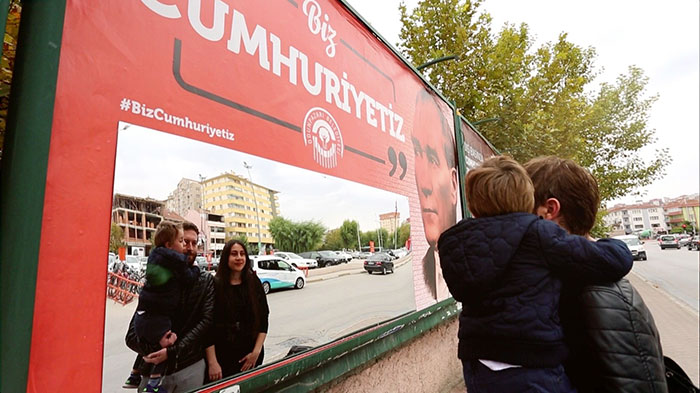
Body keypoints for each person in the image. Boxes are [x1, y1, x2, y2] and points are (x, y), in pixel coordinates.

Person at [438, 155, 633, 393]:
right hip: (532, 364)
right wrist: (613, 244)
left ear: (472, 204)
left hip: (477, 365)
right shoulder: (537, 234)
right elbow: (613, 261)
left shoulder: (455, 242)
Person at [524, 156, 667, 393]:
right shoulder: (574, 277)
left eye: (522, 209)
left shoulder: (596, 294)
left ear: (549, 210)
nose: (516, 221)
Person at [126, 221, 215, 393]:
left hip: (190, 367)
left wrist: (172, 352)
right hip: (152, 368)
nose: (188, 247)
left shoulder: (205, 281)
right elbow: (132, 334)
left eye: (193, 243)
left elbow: (206, 323)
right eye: (184, 241)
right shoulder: (158, 279)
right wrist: (154, 350)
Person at [411, 89, 458, 300]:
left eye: (432, 157)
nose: (424, 183)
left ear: (454, 184)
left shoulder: (481, 261)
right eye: (416, 152)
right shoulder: (421, 273)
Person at [205, 240, 270, 381]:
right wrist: (212, 362)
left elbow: (263, 318)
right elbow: (208, 327)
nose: (239, 258)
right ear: (226, 257)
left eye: (242, 254)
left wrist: (256, 352)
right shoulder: (215, 285)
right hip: (224, 359)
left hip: (252, 356)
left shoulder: (254, 282)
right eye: (234, 254)